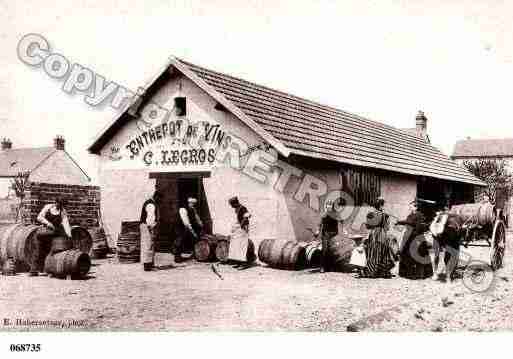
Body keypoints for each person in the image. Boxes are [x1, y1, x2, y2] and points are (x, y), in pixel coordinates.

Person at [30, 197, 72, 276]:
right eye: (58, 204)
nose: (58, 206)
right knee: (38, 250)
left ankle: (47, 270)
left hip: (53, 234)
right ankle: (33, 270)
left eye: (61, 205)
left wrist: (69, 235)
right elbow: (39, 217)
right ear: (55, 202)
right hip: (44, 232)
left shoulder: (62, 211)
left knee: (50, 251)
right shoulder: (48, 207)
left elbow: (66, 223)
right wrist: (48, 223)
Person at [397, 199, 434, 279]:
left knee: (418, 254)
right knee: (407, 255)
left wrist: (406, 223)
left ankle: (419, 274)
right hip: (409, 237)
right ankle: (407, 273)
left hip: (417, 237)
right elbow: (407, 222)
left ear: (416, 207)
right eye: (410, 206)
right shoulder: (410, 215)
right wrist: (399, 222)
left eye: (411, 206)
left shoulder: (420, 215)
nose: (410, 208)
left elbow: (418, 226)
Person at [359, 197, 396, 278]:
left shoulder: (370, 214)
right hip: (382, 234)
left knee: (372, 252)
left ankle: (371, 271)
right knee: (383, 252)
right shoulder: (385, 216)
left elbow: (368, 226)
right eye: (384, 205)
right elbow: (387, 227)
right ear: (381, 206)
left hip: (373, 234)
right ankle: (383, 272)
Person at [174, 197, 203, 263]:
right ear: (188, 203)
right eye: (192, 203)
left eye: (194, 204)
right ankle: (177, 256)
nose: (193, 205)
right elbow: (186, 223)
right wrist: (192, 232)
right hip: (180, 226)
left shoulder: (193, 209)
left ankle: (195, 254)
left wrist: (201, 224)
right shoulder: (183, 209)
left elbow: (197, 218)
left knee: (192, 239)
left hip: (187, 227)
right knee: (179, 241)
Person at [228, 196, 255, 265]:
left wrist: (242, 225)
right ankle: (237, 261)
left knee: (242, 245)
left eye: (232, 205)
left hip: (243, 229)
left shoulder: (242, 208)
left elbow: (248, 215)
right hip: (237, 230)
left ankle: (243, 262)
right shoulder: (236, 209)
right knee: (236, 245)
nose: (231, 207)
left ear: (235, 203)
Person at [316, 199, 341, 273]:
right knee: (325, 250)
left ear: (332, 206)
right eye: (328, 205)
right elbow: (319, 224)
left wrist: (344, 230)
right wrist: (317, 231)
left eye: (330, 205)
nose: (329, 206)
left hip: (334, 234)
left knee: (332, 250)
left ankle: (331, 266)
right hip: (325, 234)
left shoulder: (336, 214)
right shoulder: (323, 214)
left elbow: (341, 221)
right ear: (326, 206)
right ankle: (322, 267)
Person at [140, 191, 162, 271]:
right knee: (148, 246)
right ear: (156, 197)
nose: (160, 201)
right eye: (159, 199)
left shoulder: (152, 203)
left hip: (147, 226)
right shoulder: (151, 204)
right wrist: (152, 228)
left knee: (149, 246)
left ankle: (150, 264)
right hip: (148, 227)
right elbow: (150, 218)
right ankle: (147, 266)